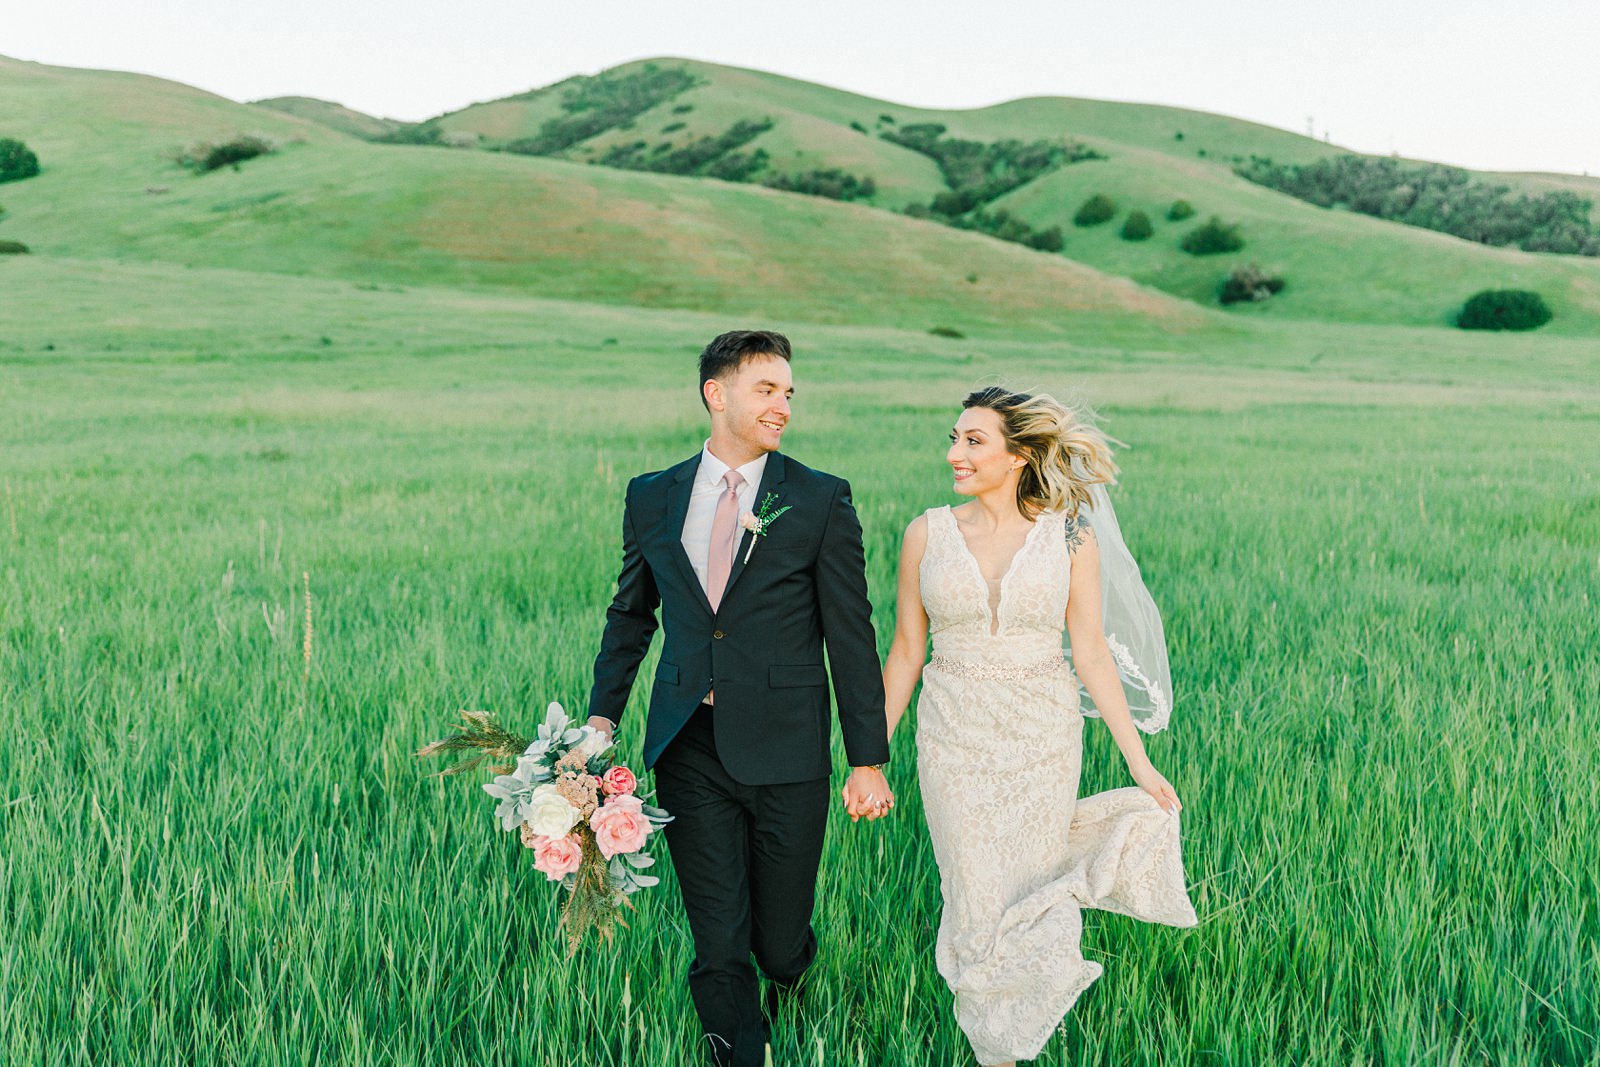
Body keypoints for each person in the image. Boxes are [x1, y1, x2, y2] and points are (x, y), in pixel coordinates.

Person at [586, 330, 893, 1067]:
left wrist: (867, 759)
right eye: (767, 389)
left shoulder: (818, 497)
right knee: (719, 941)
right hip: (689, 744)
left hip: (789, 749)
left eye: (789, 391)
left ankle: (791, 980)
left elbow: (851, 635)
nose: (783, 405)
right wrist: (601, 723)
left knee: (778, 943)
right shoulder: (652, 495)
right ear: (715, 394)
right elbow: (632, 615)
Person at [874, 386, 1197, 1067]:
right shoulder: (925, 533)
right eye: (955, 437)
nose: (953, 452)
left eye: (973, 440)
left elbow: (1091, 652)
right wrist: (867, 757)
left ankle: (1002, 1050)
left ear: (1018, 455)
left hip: (1043, 740)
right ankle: (999, 1045)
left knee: (1028, 891)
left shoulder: (1069, 534)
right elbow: (906, 649)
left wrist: (1138, 762)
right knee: (974, 896)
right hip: (953, 738)